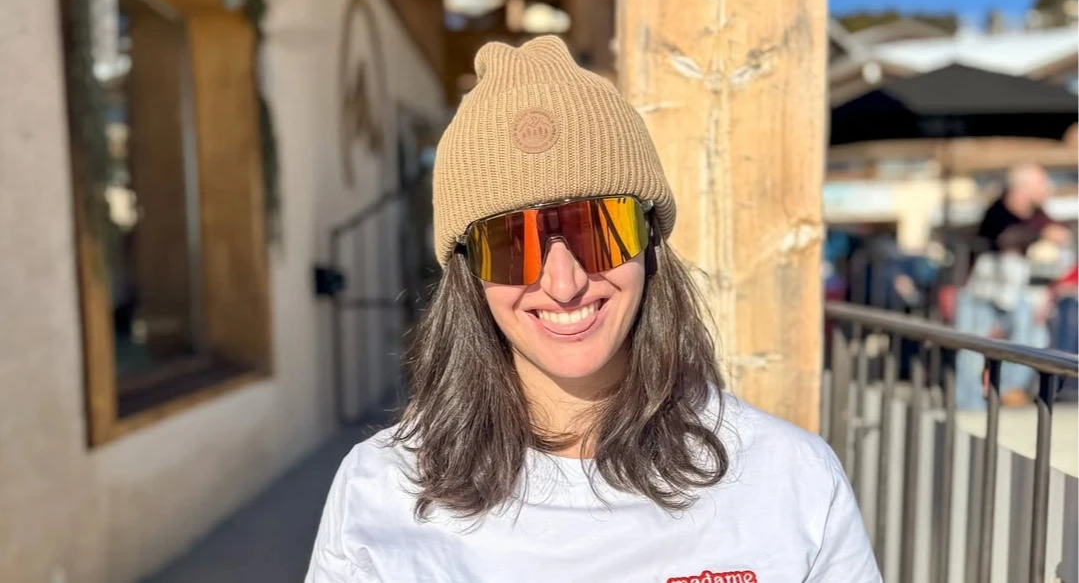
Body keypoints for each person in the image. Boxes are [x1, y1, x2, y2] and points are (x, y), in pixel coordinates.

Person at [305, 36, 880, 583]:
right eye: (512, 244)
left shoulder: (789, 478)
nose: (564, 283)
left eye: (598, 229)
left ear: (649, 242)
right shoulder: (381, 490)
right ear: (468, 273)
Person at [956, 164, 1071, 409]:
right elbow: (1004, 238)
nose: (1047, 189)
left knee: (1033, 340)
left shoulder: (1039, 214)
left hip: (1022, 293)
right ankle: (969, 404)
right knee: (973, 347)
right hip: (984, 292)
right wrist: (1042, 235)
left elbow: (1060, 235)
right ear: (1023, 188)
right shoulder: (997, 211)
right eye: (1042, 184)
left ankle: (1008, 390)